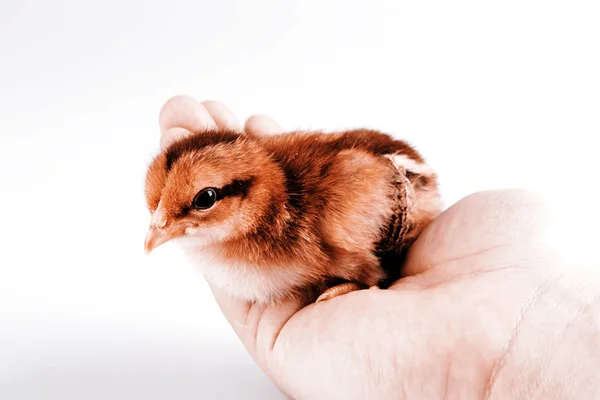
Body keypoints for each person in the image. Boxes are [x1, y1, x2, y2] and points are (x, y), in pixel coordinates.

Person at [157, 96, 600, 399]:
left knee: (346, 206)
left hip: (393, 181)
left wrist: (540, 329)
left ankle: (360, 276)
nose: (159, 227)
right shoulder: (232, 230)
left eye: (203, 201)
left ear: (247, 195)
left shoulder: (333, 209)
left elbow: (381, 181)